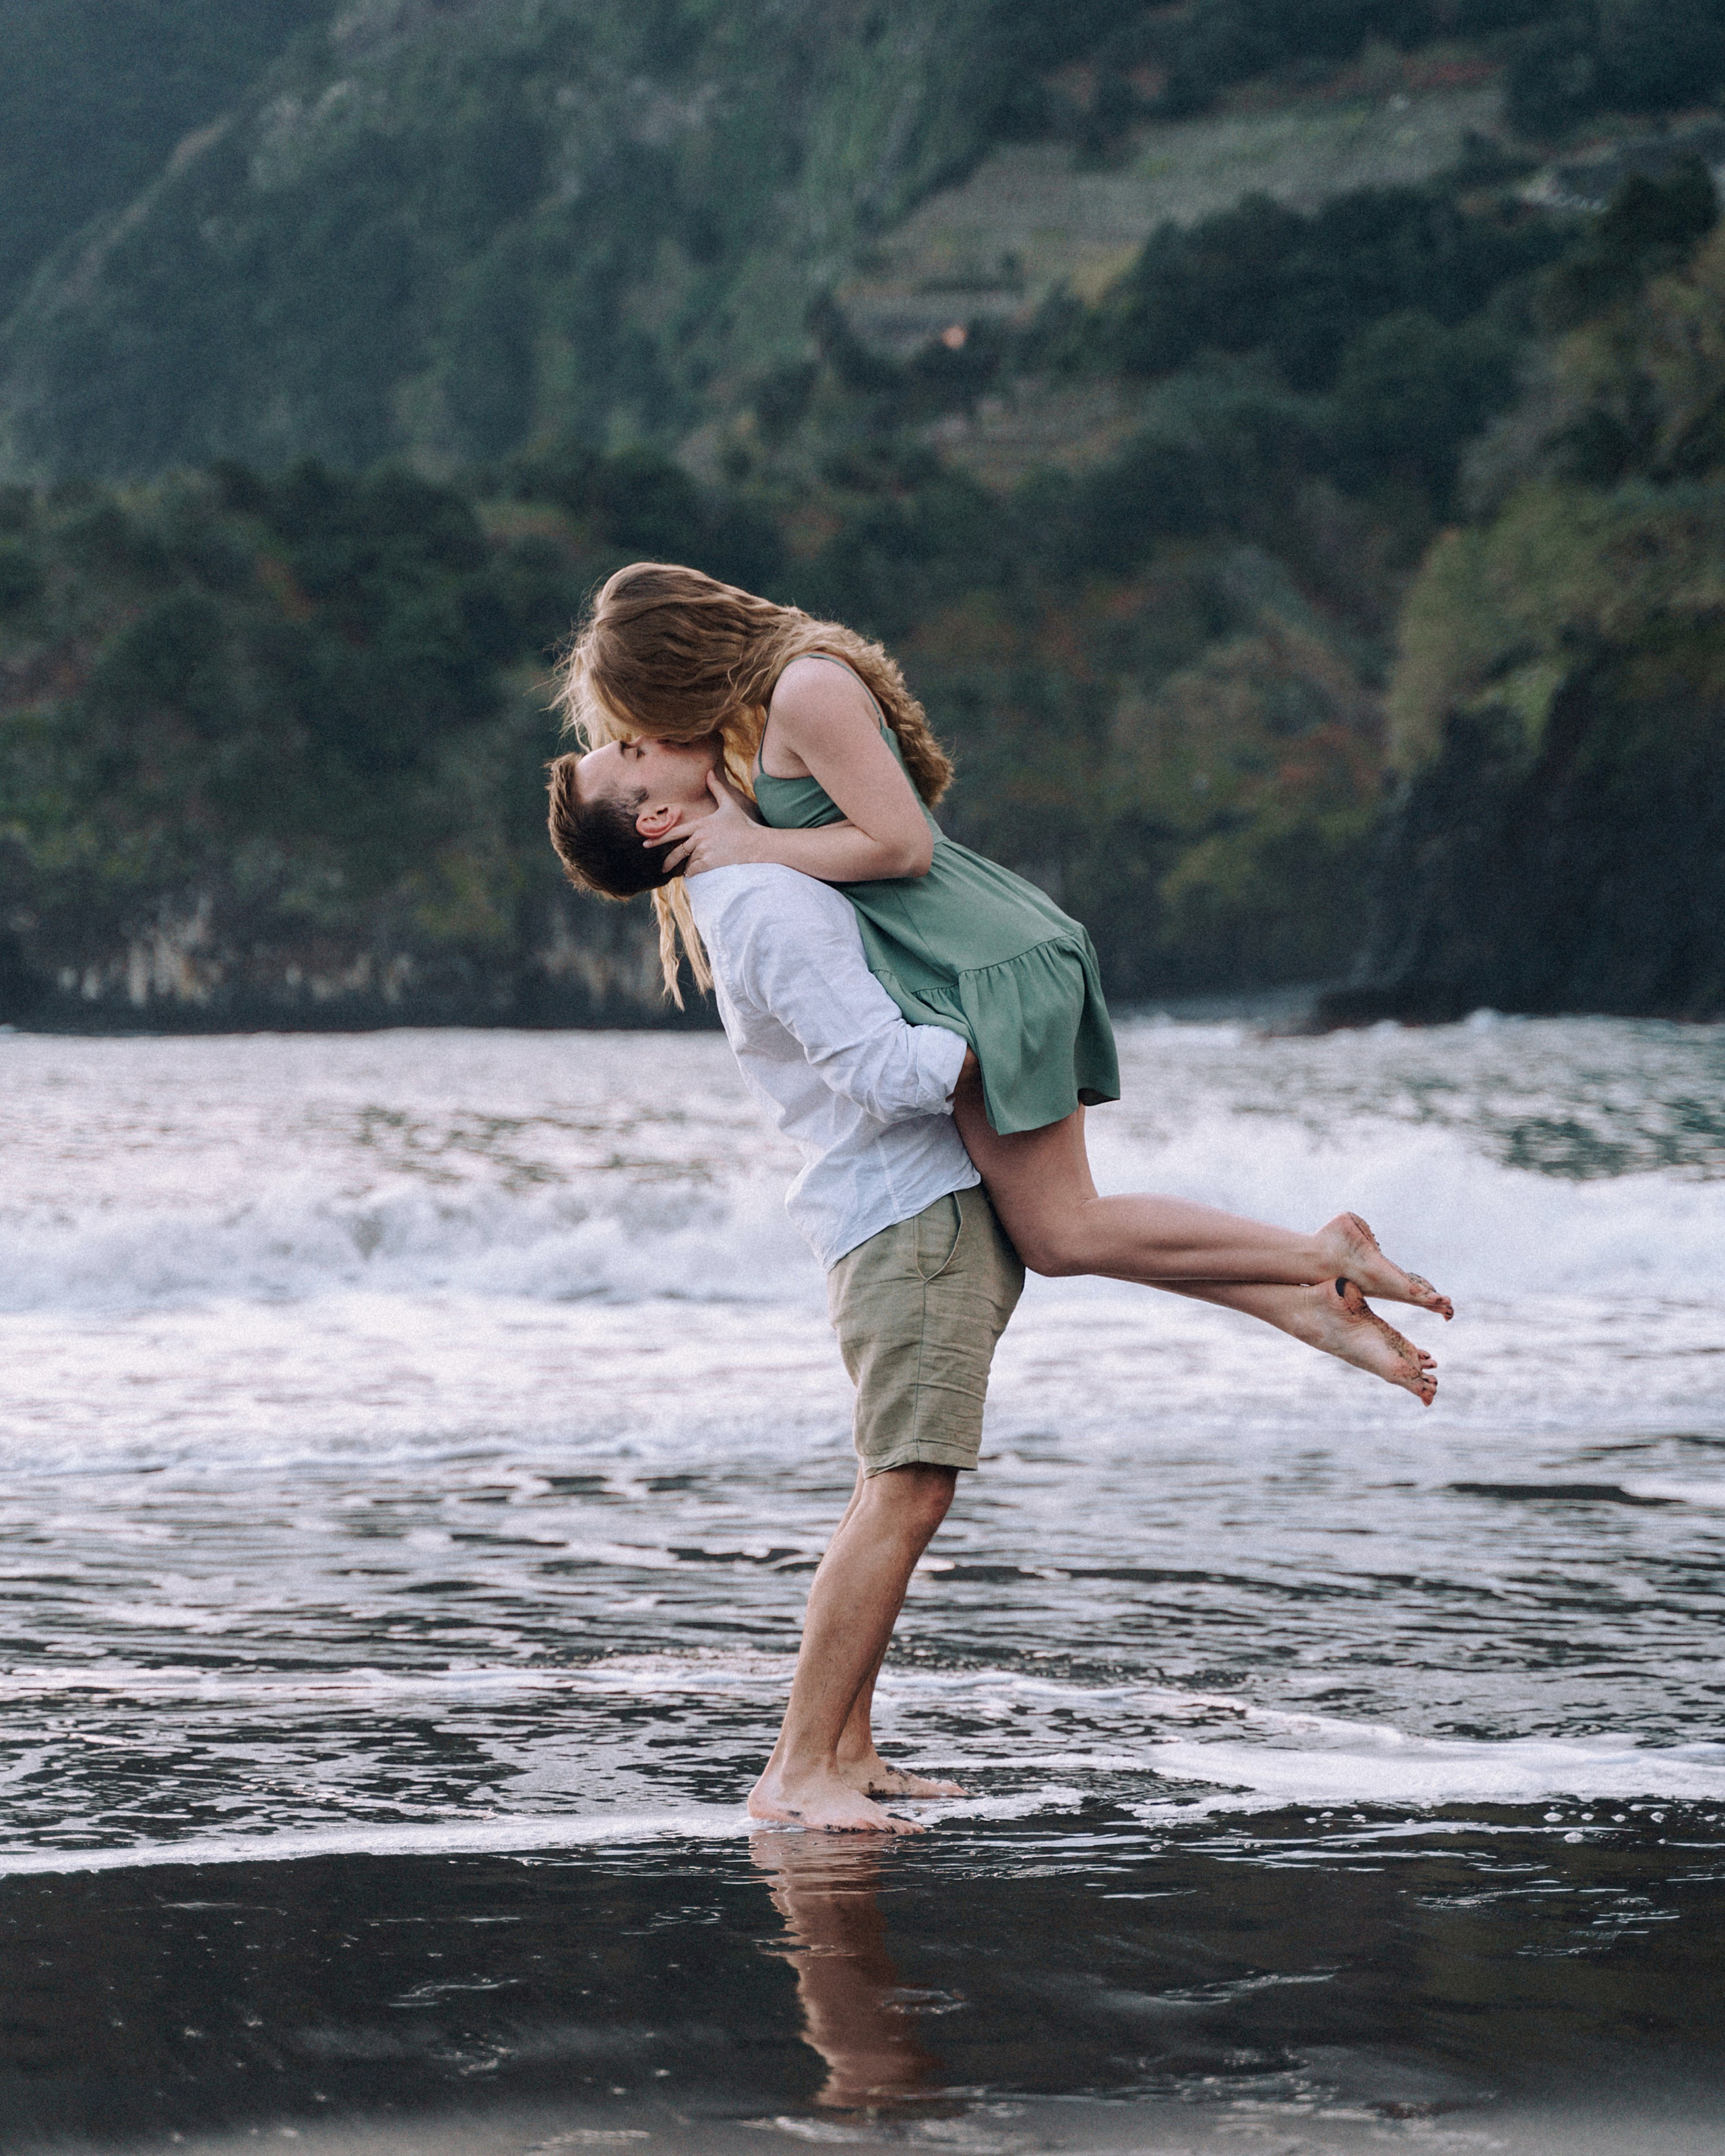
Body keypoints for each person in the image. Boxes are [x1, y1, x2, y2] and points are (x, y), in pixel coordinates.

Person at [546, 741, 1443, 1837]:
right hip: (906, 1220)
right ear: (653, 820)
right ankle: (796, 1771)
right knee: (906, 1491)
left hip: (911, 1211)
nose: (645, 736)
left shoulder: (762, 861)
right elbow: (883, 1071)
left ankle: (847, 1751)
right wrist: (1004, 1030)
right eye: (628, 754)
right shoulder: (764, 900)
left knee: (896, 1481)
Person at [551, 561, 1453, 1334]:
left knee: (1066, 1229)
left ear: (673, 668)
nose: (648, 737)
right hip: (966, 959)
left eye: (635, 721)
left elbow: (905, 846)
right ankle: (1307, 1298)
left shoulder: (804, 690)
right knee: (1057, 1233)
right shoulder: (775, 707)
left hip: (986, 962)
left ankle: (1320, 1258)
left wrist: (756, 844)